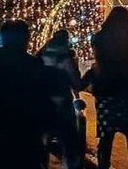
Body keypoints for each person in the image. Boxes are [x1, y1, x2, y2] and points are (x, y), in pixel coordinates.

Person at [0, 19, 54, 169]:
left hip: (4, 134)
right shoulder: (33, 65)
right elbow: (43, 100)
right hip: (29, 134)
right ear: (26, 39)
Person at [90, 6, 128, 169]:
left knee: (106, 137)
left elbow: (96, 50)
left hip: (105, 91)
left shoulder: (100, 37)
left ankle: (103, 165)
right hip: (127, 90)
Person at [38, 29, 83, 169]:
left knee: (42, 137)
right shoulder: (64, 56)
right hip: (61, 100)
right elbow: (73, 79)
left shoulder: (41, 54)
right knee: (69, 139)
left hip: (43, 99)